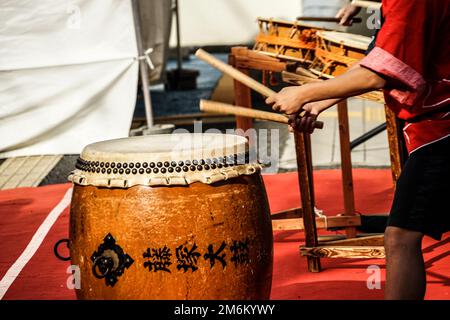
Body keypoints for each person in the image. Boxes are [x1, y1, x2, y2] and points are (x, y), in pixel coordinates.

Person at [266, 0, 450, 300]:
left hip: (441, 130)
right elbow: (380, 57)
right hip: (433, 125)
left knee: (400, 237)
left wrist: (304, 92)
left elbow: (383, 70)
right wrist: (319, 102)